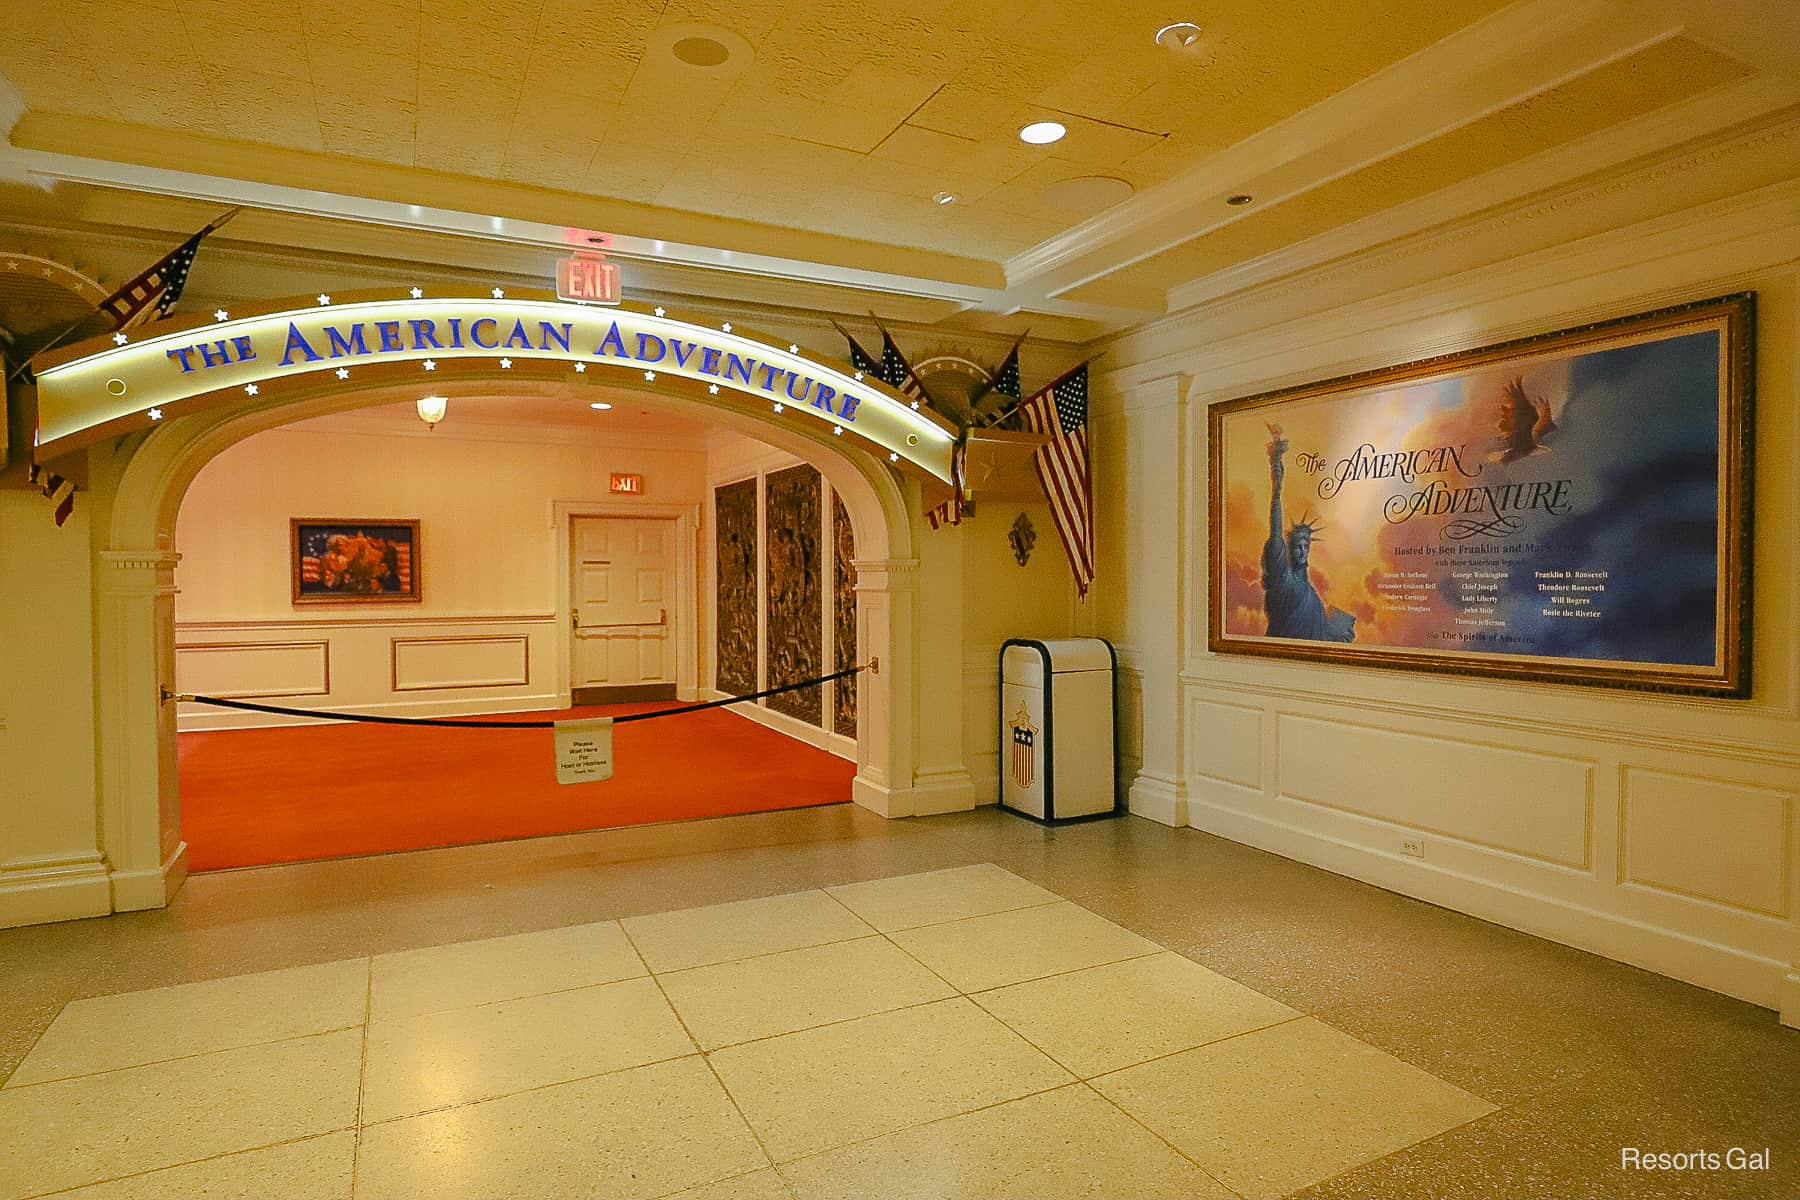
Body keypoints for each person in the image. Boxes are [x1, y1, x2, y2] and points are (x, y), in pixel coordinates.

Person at [1262, 428, 1356, 642]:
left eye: (1306, 545)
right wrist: (1276, 490)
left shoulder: (1311, 595)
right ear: (1289, 547)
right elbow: (1275, 532)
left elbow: (1319, 636)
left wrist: (1339, 635)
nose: (1303, 550)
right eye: (1297, 546)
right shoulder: (1283, 580)